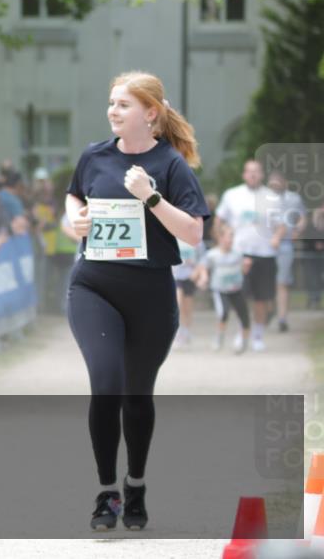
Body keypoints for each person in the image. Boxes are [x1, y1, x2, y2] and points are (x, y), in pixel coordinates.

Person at [66, 72, 208, 532]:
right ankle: (107, 493)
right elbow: (73, 196)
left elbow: (193, 232)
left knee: (136, 394)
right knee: (106, 382)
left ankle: (137, 484)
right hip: (94, 287)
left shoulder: (170, 164)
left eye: (123, 104)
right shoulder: (94, 155)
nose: (113, 111)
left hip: (149, 293)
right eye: (111, 103)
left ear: (150, 113)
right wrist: (76, 221)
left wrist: (150, 197)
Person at [215, 160, 285, 352]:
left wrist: (277, 238)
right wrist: (221, 240)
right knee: (240, 297)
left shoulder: (272, 197)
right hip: (239, 254)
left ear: (262, 174)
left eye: (257, 172)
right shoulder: (232, 195)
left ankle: (258, 335)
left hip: (264, 254)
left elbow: (281, 225)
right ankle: (242, 332)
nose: (253, 175)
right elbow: (219, 219)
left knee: (262, 299)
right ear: (244, 174)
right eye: (249, 171)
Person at [196, 223, 252, 352]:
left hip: (236, 289)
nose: (231, 240)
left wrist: (246, 267)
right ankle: (219, 337)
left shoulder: (238, 254)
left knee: (244, 316)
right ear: (220, 238)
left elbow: (243, 271)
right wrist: (203, 278)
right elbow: (203, 267)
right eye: (228, 236)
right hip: (220, 290)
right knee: (223, 313)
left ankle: (243, 342)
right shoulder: (213, 255)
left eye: (232, 236)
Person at [266, 170, 305, 332]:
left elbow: (302, 217)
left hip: (285, 244)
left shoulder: (293, 198)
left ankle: (282, 317)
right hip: (265, 245)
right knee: (267, 283)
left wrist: (298, 230)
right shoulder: (262, 198)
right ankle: (269, 311)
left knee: (282, 282)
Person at [171, 236, 205, 348]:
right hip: (176, 276)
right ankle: (178, 332)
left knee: (187, 307)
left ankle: (186, 331)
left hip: (190, 276)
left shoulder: (195, 238)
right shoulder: (173, 236)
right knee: (178, 304)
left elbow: (202, 258)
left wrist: (198, 272)